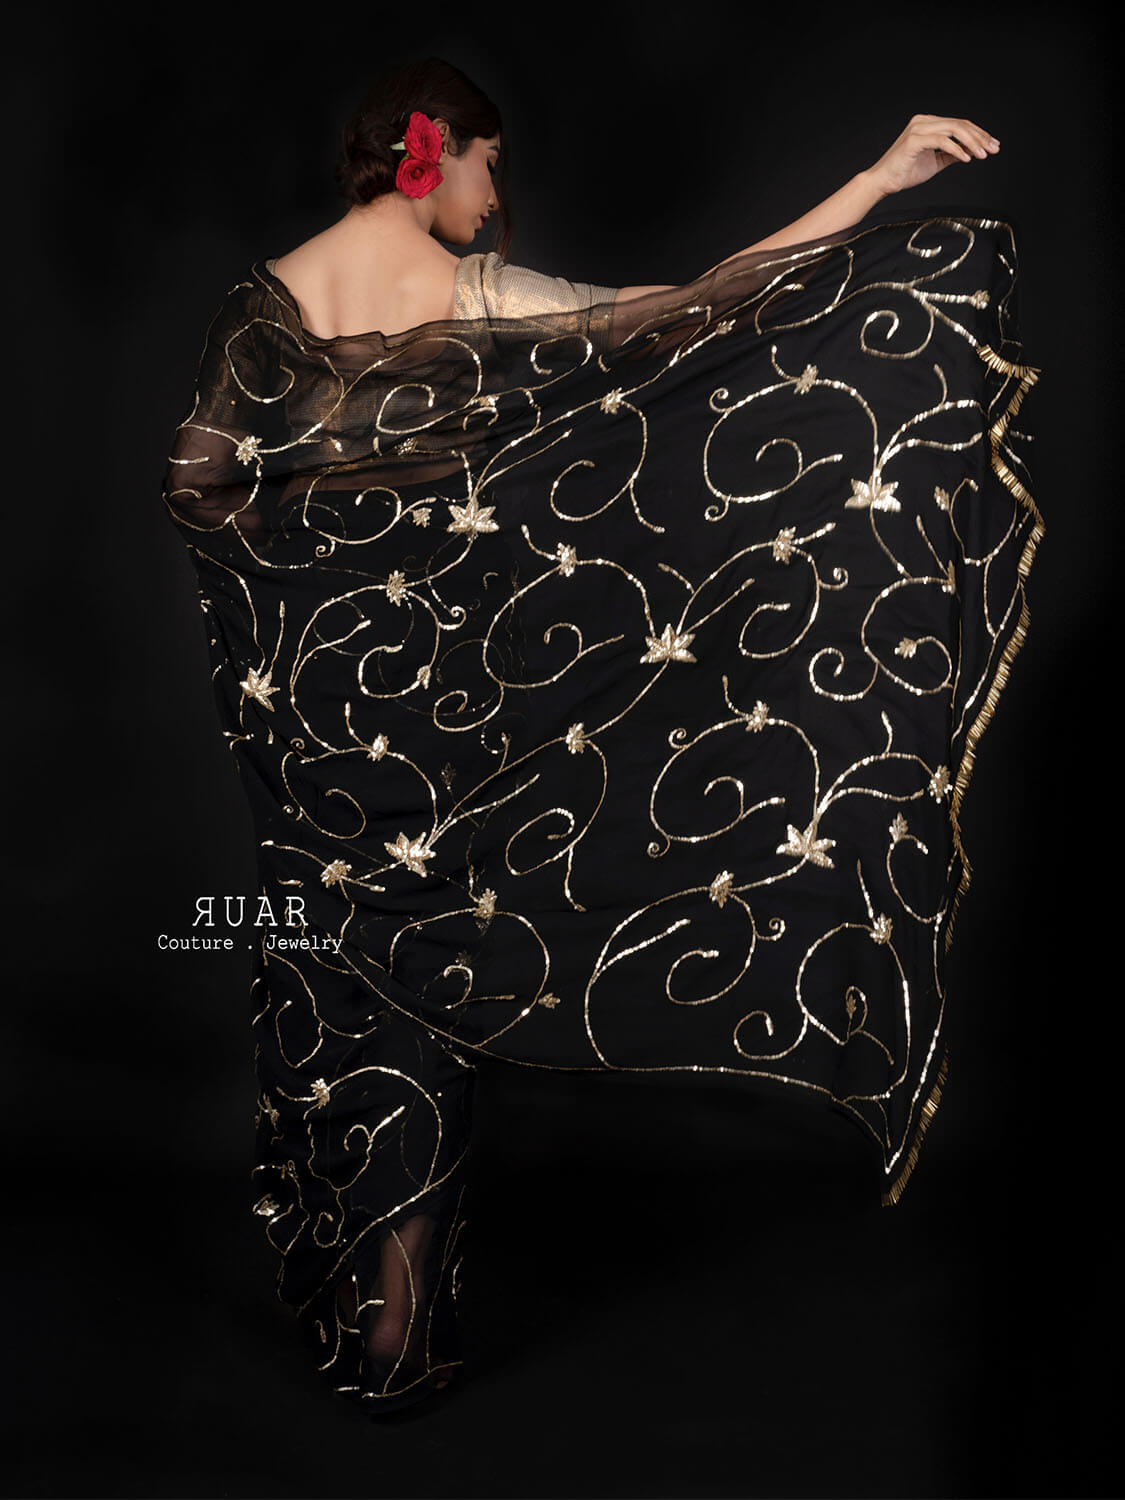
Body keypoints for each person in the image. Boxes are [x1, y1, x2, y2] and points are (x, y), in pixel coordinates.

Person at [162, 55, 1039, 1417]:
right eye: (488, 164)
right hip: (440, 717)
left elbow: (199, 486)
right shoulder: (478, 303)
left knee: (335, 981)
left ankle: (359, 1322)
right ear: (433, 152)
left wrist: (312, 585)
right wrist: (873, 186)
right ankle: (399, 1325)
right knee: (434, 975)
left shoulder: (259, 307)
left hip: (316, 724)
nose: (493, 193)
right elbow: (698, 304)